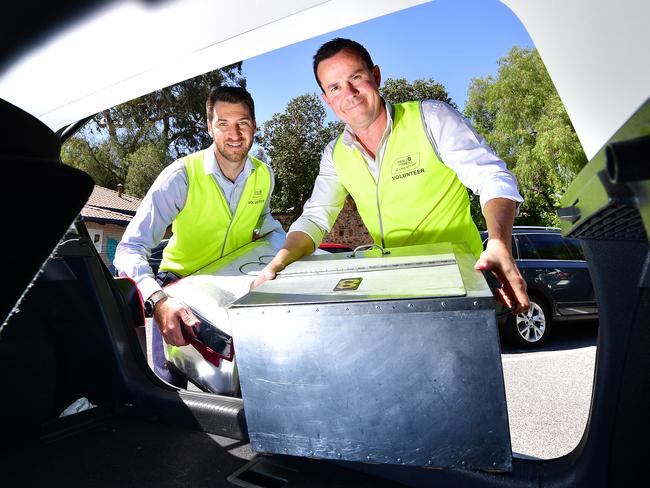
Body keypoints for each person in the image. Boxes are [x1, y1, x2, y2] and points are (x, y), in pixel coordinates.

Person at [253, 38, 529, 313]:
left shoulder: (431, 118)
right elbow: (315, 217)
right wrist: (279, 262)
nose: (348, 93)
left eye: (356, 77)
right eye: (334, 87)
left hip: (459, 282)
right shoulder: (334, 154)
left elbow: (493, 177)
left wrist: (497, 243)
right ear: (327, 100)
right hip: (393, 285)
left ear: (376, 76)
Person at [114, 85, 285, 387]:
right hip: (178, 290)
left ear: (254, 125)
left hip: (234, 288)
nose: (234, 133)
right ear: (209, 127)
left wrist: (282, 259)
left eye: (242, 123)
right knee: (169, 391)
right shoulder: (180, 176)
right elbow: (129, 249)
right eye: (223, 124)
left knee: (240, 385)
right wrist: (159, 300)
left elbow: (266, 223)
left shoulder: (264, 175)